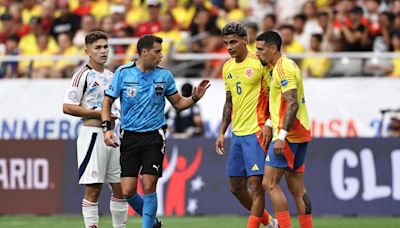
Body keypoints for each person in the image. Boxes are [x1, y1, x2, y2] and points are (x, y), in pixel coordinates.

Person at [101, 34, 210, 228]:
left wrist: (194, 98)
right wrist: (107, 129)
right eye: (158, 51)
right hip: (129, 136)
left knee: (149, 185)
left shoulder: (164, 76)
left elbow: (177, 103)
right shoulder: (123, 73)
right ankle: (152, 222)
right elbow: (107, 101)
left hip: (154, 136)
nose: (161, 55)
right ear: (145, 52)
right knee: (127, 191)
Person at [63, 31, 161, 228]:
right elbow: (67, 106)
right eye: (98, 48)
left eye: (105, 47)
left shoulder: (113, 75)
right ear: (87, 51)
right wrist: (99, 113)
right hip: (92, 135)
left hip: (113, 136)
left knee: (120, 188)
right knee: (94, 188)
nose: (103, 51)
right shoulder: (82, 75)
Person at [215, 22, 278, 228]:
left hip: (257, 131)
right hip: (238, 134)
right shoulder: (227, 67)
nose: (229, 47)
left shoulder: (260, 62)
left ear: (245, 40)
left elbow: (274, 95)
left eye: (233, 42)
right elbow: (229, 101)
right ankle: (269, 223)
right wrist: (222, 132)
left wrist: (270, 122)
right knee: (236, 187)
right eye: (226, 43)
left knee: (255, 186)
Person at [255, 31, 313, 228]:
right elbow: (280, 103)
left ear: (273, 49)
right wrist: (270, 124)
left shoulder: (283, 69)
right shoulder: (283, 66)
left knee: (268, 184)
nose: (257, 53)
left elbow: (292, 103)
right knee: (297, 189)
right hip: (299, 134)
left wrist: (281, 136)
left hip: (289, 136)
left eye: (261, 49)